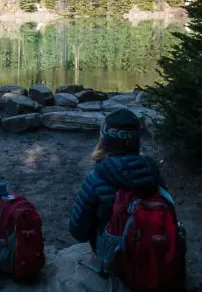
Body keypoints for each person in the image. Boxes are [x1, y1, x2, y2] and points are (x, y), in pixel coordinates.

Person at [69, 108, 163, 252]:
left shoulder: (96, 177)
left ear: (104, 140)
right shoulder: (151, 171)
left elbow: (78, 232)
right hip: (154, 250)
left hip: (114, 256)